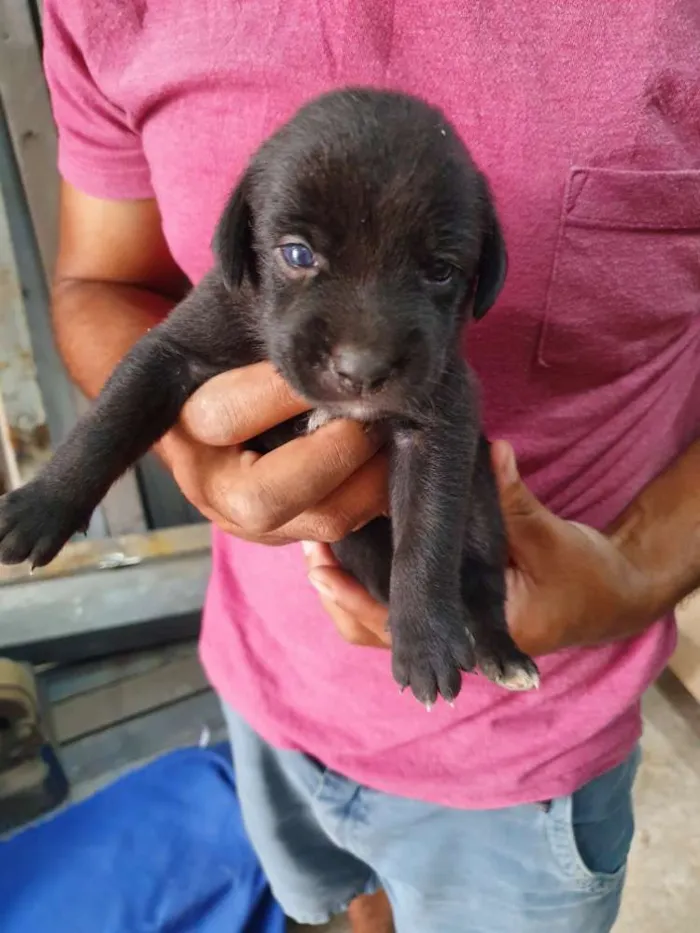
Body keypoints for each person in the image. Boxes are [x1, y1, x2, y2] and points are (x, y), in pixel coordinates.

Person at [42, 2, 700, 931]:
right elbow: (109, 294)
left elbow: (444, 435)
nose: (356, 353)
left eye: (435, 274)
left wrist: (631, 575)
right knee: (338, 907)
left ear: (478, 273)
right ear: (248, 245)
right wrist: (152, 462)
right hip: (267, 681)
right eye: (300, 255)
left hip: (523, 757)